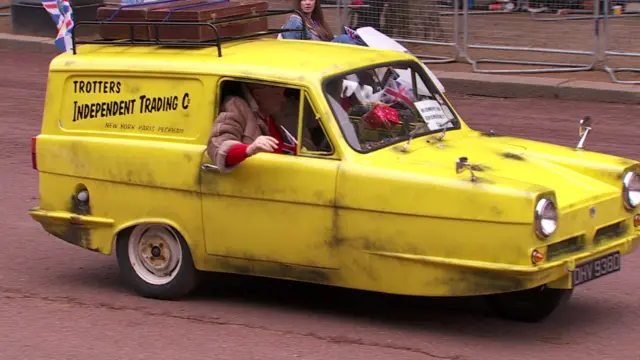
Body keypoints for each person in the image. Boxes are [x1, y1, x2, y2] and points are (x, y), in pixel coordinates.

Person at [206, 82, 305, 172]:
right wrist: (249, 149)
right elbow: (219, 147)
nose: (283, 99)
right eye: (277, 94)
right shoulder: (236, 107)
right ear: (258, 95)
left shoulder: (275, 114)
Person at [279, 0, 363, 45]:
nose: (308, 3)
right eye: (304, 0)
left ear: (315, 2)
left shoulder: (315, 20)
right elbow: (291, 47)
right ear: (299, 2)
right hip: (316, 56)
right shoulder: (295, 21)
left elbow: (329, 39)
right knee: (344, 39)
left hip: (324, 51)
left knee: (357, 38)